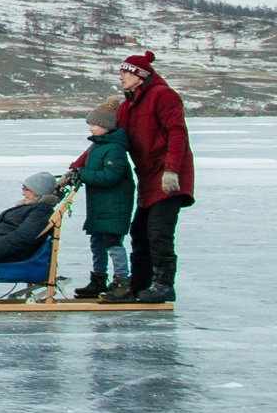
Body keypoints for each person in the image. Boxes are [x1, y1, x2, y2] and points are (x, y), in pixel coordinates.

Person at [110, 50, 193, 303]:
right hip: (147, 179)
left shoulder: (163, 96)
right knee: (139, 232)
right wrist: (78, 166)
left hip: (169, 177)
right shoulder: (127, 106)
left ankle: (164, 285)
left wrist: (171, 170)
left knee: (159, 232)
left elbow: (177, 133)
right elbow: (112, 140)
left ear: (140, 75)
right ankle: (140, 285)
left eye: (125, 72)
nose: (121, 76)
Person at [67, 100, 134, 299]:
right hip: (99, 205)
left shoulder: (115, 149)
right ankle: (98, 279)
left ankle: (122, 280)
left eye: (94, 124)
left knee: (113, 242)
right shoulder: (98, 146)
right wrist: (76, 172)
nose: (91, 128)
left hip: (114, 205)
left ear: (106, 126)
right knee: (97, 242)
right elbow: (86, 164)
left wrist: (83, 175)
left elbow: (110, 177)